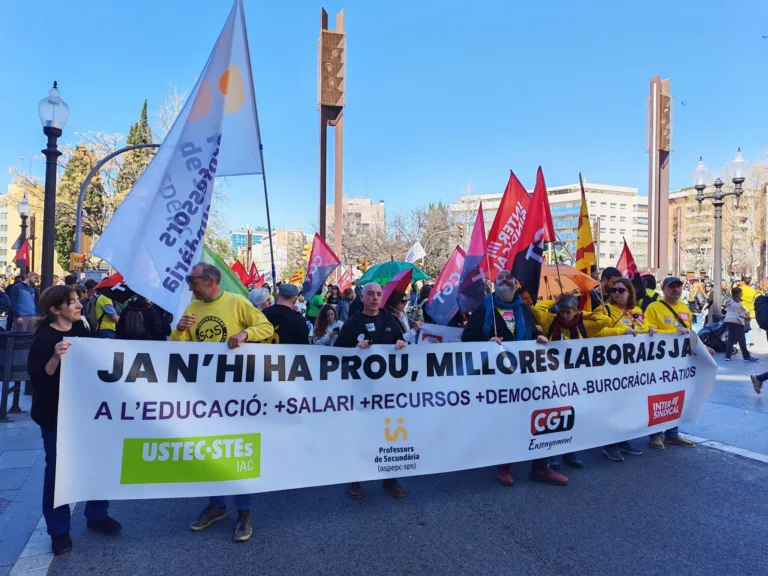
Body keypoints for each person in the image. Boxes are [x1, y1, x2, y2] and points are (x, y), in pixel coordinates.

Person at [172, 263, 274, 542]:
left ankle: (244, 512)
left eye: (192, 281)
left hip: (237, 391)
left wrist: (244, 334)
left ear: (209, 281)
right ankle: (216, 506)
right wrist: (180, 330)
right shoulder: (192, 306)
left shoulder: (237, 302)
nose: (189, 286)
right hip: (204, 392)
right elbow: (175, 349)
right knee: (210, 448)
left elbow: (264, 326)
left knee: (239, 448)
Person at [28, 285, 121, 555]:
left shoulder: (83, 328)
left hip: (86, 411)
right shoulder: (44, 338)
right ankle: (59, 531)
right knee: (57, 472)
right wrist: (56, 357)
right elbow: (40, 380)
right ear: (54, 310)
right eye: (72, 302)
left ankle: (97, 514)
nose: (79, 304)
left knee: (97, 462)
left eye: (78, 299)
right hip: (55, 415)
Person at [461, 271, 567, 487]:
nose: (505, 280)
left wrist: (538, 338)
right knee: (505, 420)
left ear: (516, 284)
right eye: (501, 277)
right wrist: (486, 340)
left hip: (526, 376)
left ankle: (541, 466)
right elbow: (467, 337)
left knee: (539, 415)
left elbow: (533, 332)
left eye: (510, 277)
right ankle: (504, 465)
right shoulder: (485, 308)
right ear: (495, 284)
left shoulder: (524, 309)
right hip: (497, 378)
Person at [335, 282, 407, 499]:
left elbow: (401, 342)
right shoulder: (352, 323)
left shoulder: (389, 319)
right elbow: (337, 353)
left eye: (378, 294)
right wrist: (355, 350)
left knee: (388, 436)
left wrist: (402, 344)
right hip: (360, 392)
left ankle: (389, 480)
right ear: (363, 297)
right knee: (359, 434)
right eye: (371, 294)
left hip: (387, 392)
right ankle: (355, 479)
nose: (375, 298)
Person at [532, 293, 610, 468]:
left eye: (569, 312)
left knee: (574, 415)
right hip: (552, 377)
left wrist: (585, 314)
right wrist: (555, 301)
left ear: (576, 311)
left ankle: (571, 452)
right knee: (553, 416)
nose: (565, 315)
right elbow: (537, 308)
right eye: (562, 311)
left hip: (576, 379)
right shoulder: (550, 321)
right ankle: (551, 454)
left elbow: (604, 320)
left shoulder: (584, 325)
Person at [595, 278, 656, 461]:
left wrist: (650, 330)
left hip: (634, 368)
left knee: (628, 405)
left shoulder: (637, 311)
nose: (616, 293)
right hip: (612, 367)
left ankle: (623, 440)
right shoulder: (604, 310)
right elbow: (595, 332)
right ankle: (610, 443)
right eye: (613, 290)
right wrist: (620, 332)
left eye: (621, 290)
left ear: (630, 292)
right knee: (613, 405)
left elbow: (641, 331)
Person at [644, 277, 698, 450]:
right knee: (658, 398)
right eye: (672, 287)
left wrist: (702, 348)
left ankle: (672, 433)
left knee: (676, 397)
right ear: (663, 288)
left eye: (678, 286)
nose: (676, 290)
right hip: (659, 364)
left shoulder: (684, 307)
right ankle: (655, 435)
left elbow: (689, 333)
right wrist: (673, 331)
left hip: (680, 363)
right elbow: (648, 331)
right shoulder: (653, 307)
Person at [723, 286, 758, 362]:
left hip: (729, 321)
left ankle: (727, 356)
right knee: (742, 340)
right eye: (740, 292)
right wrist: (747, 315)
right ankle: (746, 356)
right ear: (736, 294)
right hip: (737, 322)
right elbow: (741, 315)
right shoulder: (739, 304)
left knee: (730, 338)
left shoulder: (729, 301)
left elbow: (727, 305)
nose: (742, 294)